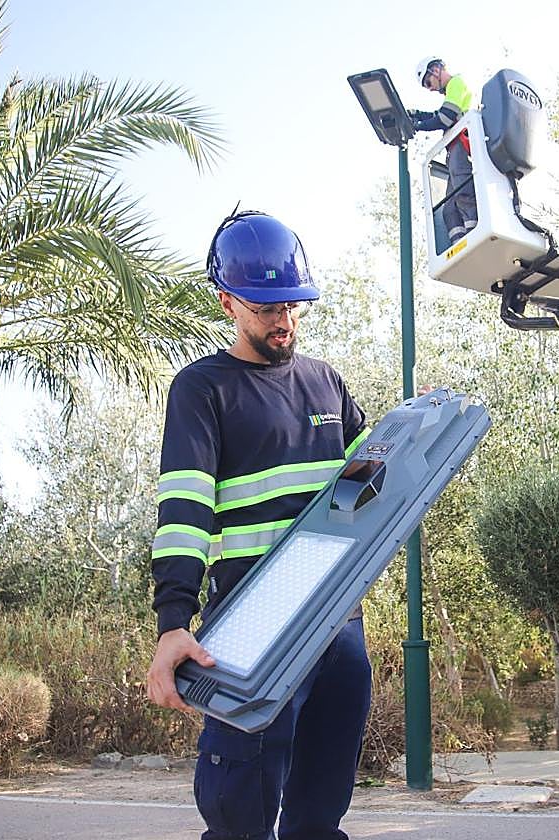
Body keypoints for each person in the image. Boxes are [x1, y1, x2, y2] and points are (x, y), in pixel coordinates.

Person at [145, 210, 372, 840]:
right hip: (251, 627)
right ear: (228, 302)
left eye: (293, 304)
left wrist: (412, 437)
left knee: (319, 817)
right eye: (267, 307)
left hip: (338, 627)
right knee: (238, 815)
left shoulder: (324, 381)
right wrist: (172, 625)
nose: (284, 320)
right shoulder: (202, 390)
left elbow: (370, 481)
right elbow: (185, 514)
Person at [410, 56, 477, 243]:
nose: (430, 88)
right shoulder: (452, 91)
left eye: (428, 82)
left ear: (436, 70)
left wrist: (417, 126)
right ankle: (458, 244)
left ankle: (473, 233)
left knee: (464, 193)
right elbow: (439, 115)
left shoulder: (456, 82)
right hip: (453, 150)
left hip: (462, 145)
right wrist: (418, 116)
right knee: (449, 209)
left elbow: (445, 118)